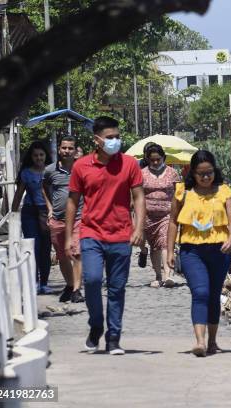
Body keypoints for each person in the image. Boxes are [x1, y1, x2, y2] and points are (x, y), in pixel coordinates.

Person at [65, 116, 145, 355]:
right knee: (91, 280)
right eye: (110, 138)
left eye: (117, 137)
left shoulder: (130, 164)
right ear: (97, 140)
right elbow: (72, 202)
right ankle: (96, 325)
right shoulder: (81, 166)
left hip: (121, 235)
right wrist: (69, 236)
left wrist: (139, 228)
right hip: (91, 233)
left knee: (117, 288)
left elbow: (139, 197)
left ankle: (113, 338)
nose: (115, 141)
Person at [167, 150, 231, 357]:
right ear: (193, 173)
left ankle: (213, 341)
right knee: (200, 293)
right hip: (192, 251)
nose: (206, 177)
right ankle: (200, 341)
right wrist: (169, 251)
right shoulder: (183, 192)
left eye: (209, 173)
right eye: (201, 174)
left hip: (219, 250)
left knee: (214, 295)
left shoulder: (224, 191)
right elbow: (172, 222)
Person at [42, 136, 85, 303]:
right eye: (64, 148)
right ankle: (69, 284)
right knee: (62, 256)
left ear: (75, 151)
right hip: (58, 220)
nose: (67, 151)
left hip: (78, 218)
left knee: (77, 252)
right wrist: (50, 208)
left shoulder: (81, 170)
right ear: (59, 149)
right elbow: (44, 187)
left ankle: (76, 289)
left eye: (70, 148)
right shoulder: (50, 170)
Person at [12, 141, 52, 294]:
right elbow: (18, 195)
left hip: (47, 212)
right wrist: (13, 217)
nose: (39, 158)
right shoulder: (26, 173)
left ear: (45, 156)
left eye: (41, 155)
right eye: (35, 155)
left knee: (45, 248)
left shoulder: (51, 171)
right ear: (31, 157)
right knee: (32, 248)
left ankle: (44, 283)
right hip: (29, 212)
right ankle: (33, 281)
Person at [141, 144, 180, 288]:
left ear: (163, 158)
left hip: (167, 215)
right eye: (152, 160)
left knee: (165, 242)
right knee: (154, 246)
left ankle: (168, 275)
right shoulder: (142, 173)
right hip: (148, 216)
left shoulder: (172, 173)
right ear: (148, 159)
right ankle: (158, 275)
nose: (155, 163)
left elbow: (179, 193)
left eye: (158, 159)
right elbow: (137, 194)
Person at [136, 141, 156, 268]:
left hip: (156, 204)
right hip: (140, 201)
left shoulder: (159, 164)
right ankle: (143, 250)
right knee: (140, 232)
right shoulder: (139, 165)